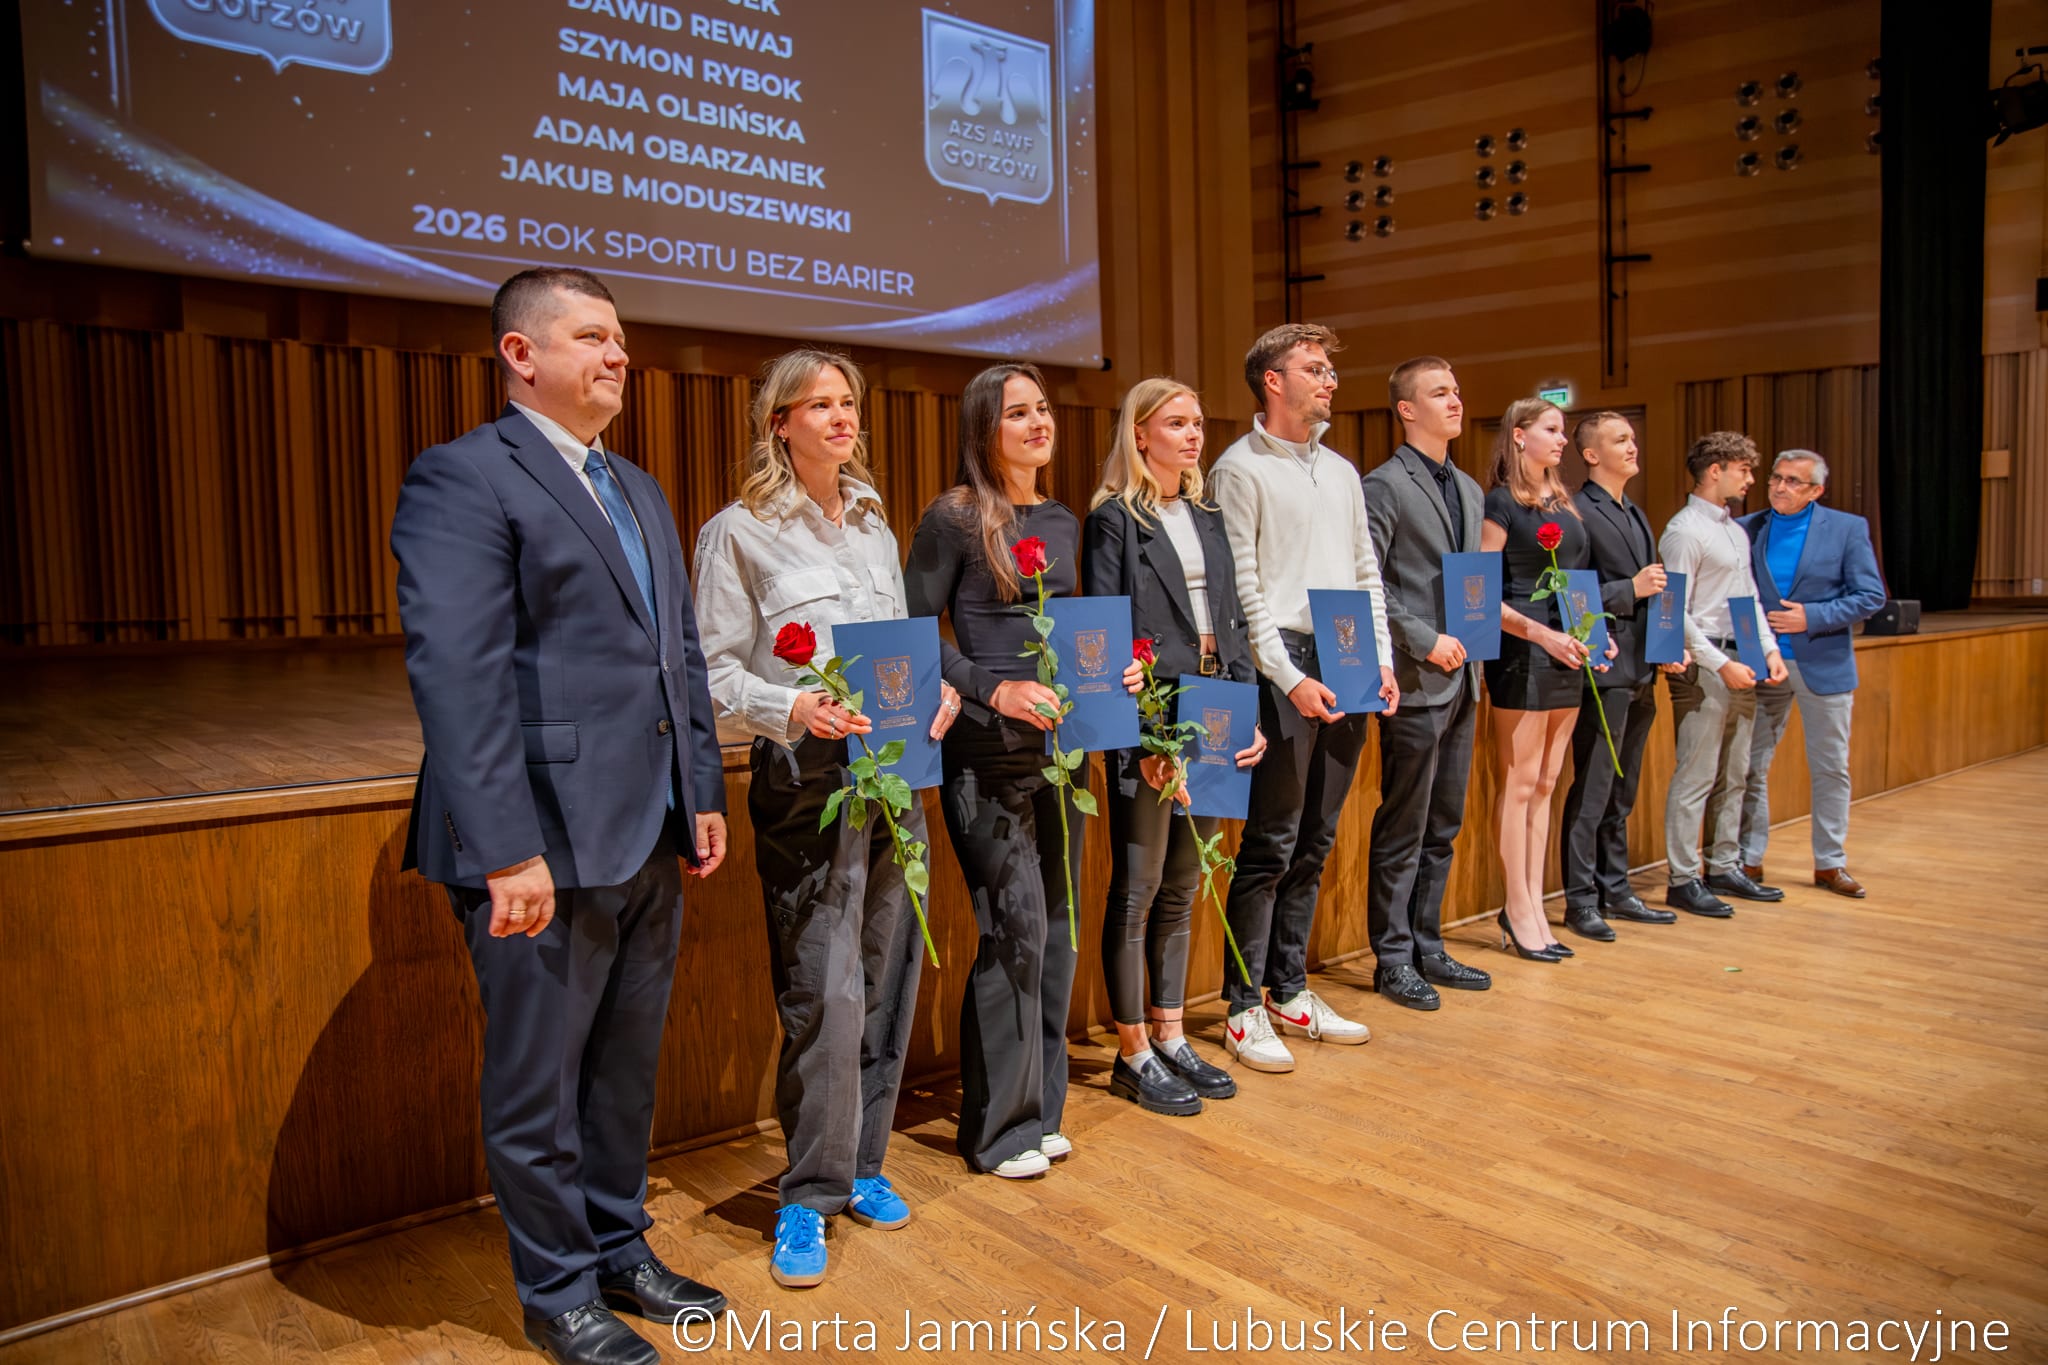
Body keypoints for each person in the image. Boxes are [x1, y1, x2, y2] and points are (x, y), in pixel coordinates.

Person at [390, 268, 728, 1365]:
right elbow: (459, 679)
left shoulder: (637, 486)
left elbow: (673, 652)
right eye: (592, 336)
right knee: (538, 1086)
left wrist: (702, 793)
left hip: (643, 826)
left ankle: (619, 1249)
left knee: (623, 1072)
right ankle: (557, 1294)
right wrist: (504, 851)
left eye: (620, 337)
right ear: (520, 356)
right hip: (535, 840)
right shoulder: (461, 479)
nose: (618, 354)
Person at [692, 350, 963, 1288]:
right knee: (825, 992)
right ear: (780, 423)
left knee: (886, 980)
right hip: (806, 779)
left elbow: (902, 652)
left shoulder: (879, 528)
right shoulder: (739, 534)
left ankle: (865, 1165)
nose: (842, 418)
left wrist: (937, 699)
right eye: (821, 404)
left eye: (849, 402)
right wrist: (792, 706)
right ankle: (806, 1195)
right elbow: (713, 672)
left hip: (897, 774)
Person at [903, 363, 1143, 1177]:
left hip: (1061, 754)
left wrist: (1121, 672)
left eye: (1042, 408)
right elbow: (911, 631)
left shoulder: (1065, 519)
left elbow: (1078, 637)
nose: (1038, 422)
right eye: (1017, 413)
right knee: (1016, 930)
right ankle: (996, 1128)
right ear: (984, 430)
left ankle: (1040, 1111)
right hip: (983, 753)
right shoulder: (955, 518)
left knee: (1060, 933)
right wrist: (990, 685)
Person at [1206, 323, 1395, 1074]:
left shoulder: (1343, 471)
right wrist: (1289, 678)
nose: (1330, 381)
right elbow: (1245, 592)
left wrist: (1377, 659)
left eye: (1330, 370)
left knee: (1317, 838)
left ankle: (1289, 986)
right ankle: (1242, 1004)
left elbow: (1365, 570)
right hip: (1281, 664)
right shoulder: (1239, 469)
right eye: (1314, 369)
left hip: (1346, 652)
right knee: (1271, 842)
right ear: (1271, 381)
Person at [1083, 378, 1267, 1115]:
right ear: (1140, 434)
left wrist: (1247, 713)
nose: (1193, 435)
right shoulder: (1113, 522)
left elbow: (1236, 619)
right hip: (1152, 713)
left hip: (1216, 705)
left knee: (1188, 883)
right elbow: (1106, 629)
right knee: (1139, 886)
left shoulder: (1208, 515)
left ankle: (1170, 1030)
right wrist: (1148, 738)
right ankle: (1131, 1050)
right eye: (1176, 423)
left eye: (1198, 422)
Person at [1359, 357, 1495, 1010]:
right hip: (1415, 678)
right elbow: (1372, 581)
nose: (1456, 401)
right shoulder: (1383, 485)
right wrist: (1422, 637)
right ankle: (1390, 958)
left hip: (1464, 679)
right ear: (1406, 409)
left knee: (1445, 822)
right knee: (1404, 824)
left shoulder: (1470, 489)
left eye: (1457, 391)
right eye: (1440, 392)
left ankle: (1428, 943)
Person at [1482, 396, 1612, 963]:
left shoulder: (1563, 500)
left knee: (1546, 785)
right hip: (1523, 652)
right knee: (1519, 783)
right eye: (1552, 430)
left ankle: (1535, 902)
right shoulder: (1500, 503)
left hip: (1567, 651)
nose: (1562, 441)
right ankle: (1515, 907)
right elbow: (1482, 596)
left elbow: (1578, 581)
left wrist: (1592, 634)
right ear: (1518, 435)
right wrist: (1544, 636)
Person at [1736, 449, 1887, 897]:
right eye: (1775, 479)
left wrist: (1813, 616)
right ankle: (1748, 859)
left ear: (1817, 490)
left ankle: (1830, 863)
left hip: (1824, 662)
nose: (1781, 487)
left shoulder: (1846, 529)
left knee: (1830, 768)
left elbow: (1870, 596)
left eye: (1793, 481)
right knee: (1750, 767)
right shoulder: (1745, 530)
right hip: (1763, 665)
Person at [1556, 412, 1680, 937]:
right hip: (1605, 669)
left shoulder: (1635, 511)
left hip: (1642, 668)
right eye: (1620, 440)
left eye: (1632, 438)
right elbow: (1569, 595)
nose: (1633, 447)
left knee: (1621, 790)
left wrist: (1668, 646)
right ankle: (1580, 899)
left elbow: (1655, 591)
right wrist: (1630, 588)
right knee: (1593, 788)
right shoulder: (1578, 511)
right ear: (1590, 454)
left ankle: (1616, 887)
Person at [1660, 431, 1789, 918]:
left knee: (1735, 771)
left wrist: (1769, 651)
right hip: (1705, 664)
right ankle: (1683, 877)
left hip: (1743, 658)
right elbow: (1675, 609)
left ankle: (1723, 865)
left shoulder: (1734, 531)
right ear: (1716, 470)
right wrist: (1721, 663)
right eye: (1745, 470)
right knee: (1696, 774)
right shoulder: (1684, 530)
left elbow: (1748, 601)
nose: (1752, 479)